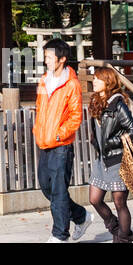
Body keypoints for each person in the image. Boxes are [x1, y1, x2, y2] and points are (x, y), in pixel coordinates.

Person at [35, 38, 91, 242]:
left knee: (59, 191)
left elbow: (76, 116)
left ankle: (60, 235)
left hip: (61, 145)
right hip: (43, 142)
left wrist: (60, 134)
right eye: (45, 57)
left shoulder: (71, 84)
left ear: (62, 59)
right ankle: (81, 216)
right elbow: (40, 110)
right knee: (46, 187)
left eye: (49, 57)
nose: (46, 61)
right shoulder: (44, 80)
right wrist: (38, 131)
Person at [88, 66, 133, 243]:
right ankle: (117, 228)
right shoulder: (96, 101)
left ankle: (123, 238)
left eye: (97, 78)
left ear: (108, 81)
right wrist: (96, 141)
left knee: (119, 203)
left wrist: (112, 142)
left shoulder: (118, 104)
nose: (93, 81)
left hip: (117, 160)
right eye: (93, 78)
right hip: (102, 160)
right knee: (94, 199)